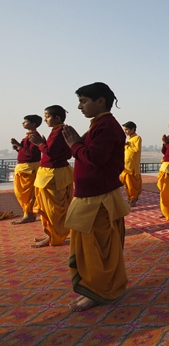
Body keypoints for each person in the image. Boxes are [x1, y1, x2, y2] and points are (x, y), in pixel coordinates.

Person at [63, 82, 129, 312]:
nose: (80, 106)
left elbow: (95, 158)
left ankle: (102, 290)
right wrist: (75, 144)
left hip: (99, 199)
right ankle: (95, 287)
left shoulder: (107, 126)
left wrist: (74, 145)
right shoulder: (97, 125)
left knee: (98, 248)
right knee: (89, 247)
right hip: (89, 196)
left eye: (83, 101)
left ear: (100, 101)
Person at [28, 106, 74, 248]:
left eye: (47, 116)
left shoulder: (59, 132)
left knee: (53, 210)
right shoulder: (57, 131)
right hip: (55, 172)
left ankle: (55, 237)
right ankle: (51, 234)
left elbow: (51, 153)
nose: (45, 119)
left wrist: (40, 144)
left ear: (57, 118)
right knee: (52, 208)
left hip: (54, 175)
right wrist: (43, 143)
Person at [10, 114, 43, 225]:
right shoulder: (28, 137)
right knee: (21, 193)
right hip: (24, 167)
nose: (23, 123)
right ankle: (27, 213)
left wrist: (19, 147)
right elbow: (26, 152)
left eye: (26, 121)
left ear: (33, 124)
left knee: (27, 194)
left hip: (29, 168)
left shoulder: (34, 137)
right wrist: (18, 147)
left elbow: (31, 154)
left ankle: (29, 214)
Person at [119, 121, 142, 206]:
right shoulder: (129, 139)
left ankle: (133, 199)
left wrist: (128, 145)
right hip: (126, 165)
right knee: (127, 184)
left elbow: (136, 149)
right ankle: (130, 198)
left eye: (127, 129)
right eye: (124, 130)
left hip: (132, 166)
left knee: (133, 185)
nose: (125, 131)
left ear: (133, 129)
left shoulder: (137, 138)